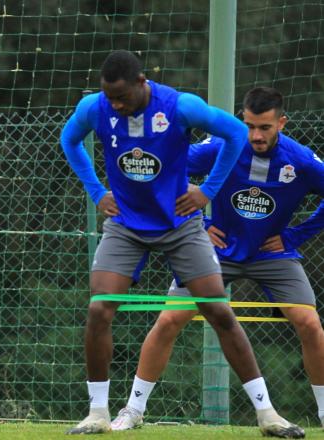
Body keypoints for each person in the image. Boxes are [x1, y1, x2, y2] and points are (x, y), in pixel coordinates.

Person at [60, 51, 304, 438]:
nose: (116, 105)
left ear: (142, 83)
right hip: (125, 224)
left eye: (122, 96)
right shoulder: (95, 107)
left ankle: (267, 413)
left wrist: (207, 191)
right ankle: (97, 413)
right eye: (110, 98)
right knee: (99, 308)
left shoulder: (181, 106)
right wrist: (95, 190)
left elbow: (236, 133)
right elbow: (69, 139)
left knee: (218, 311)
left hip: (180, 225)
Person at [112, 87, 324, 431]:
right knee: (169, 320)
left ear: (281, 123)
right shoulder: (222, 146)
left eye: (265, 128)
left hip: (272, 255)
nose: (255, 135)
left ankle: (323, 414)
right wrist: (197, 223)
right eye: (250, 125)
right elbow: (168, 170)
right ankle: (132, 411)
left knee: (310, 325)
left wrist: (293, 235)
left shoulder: (300, 161)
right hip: (214, 251)